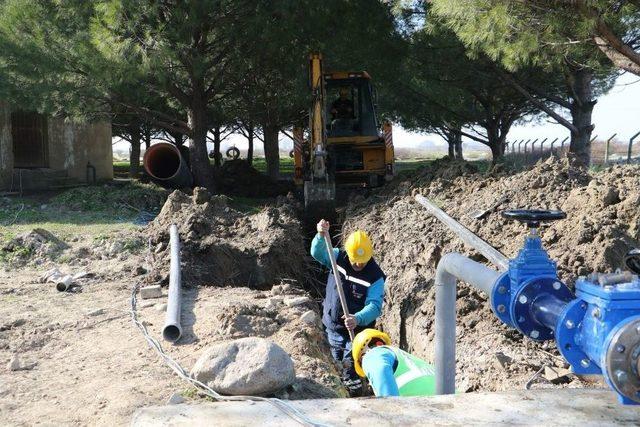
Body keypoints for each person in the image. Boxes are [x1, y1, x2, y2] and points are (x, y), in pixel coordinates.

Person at [310, 219, 386, 393]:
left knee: (351, 371)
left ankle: (356, 397)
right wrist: (321, 235)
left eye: (363, 261)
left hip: (358, 335)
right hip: (333, 325)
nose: (359, 264)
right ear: (349, 254)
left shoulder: (375, 276)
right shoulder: (338, 258)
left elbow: (375, 306)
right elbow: (317, 252)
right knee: (333, 365)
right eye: (355, 261)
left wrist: (357, 318)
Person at [352, 328, 436, 397]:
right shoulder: (411, 361)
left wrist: (391, 412)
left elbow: (380, 369)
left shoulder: (372, 354)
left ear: (379, 344)